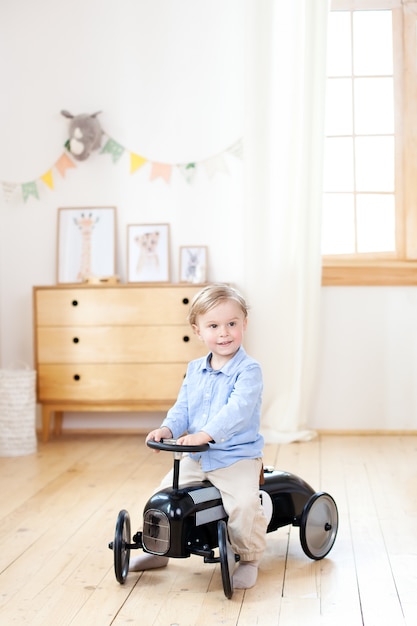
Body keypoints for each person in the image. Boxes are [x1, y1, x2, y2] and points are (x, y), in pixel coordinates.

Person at [130, 283, 268, 589]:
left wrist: (205, 433)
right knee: (160, 498)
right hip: (197, 456)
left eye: (232, 324)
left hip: (236, 457)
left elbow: (237, 411)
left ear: (244, 324)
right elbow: (183, 408)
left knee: (244, 504)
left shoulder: (249, 370)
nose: (224, 333)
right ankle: (157, 548)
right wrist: (168, 429)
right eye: (214, 326)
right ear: (198, 330)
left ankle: (249, 558)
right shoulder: (194, 370)